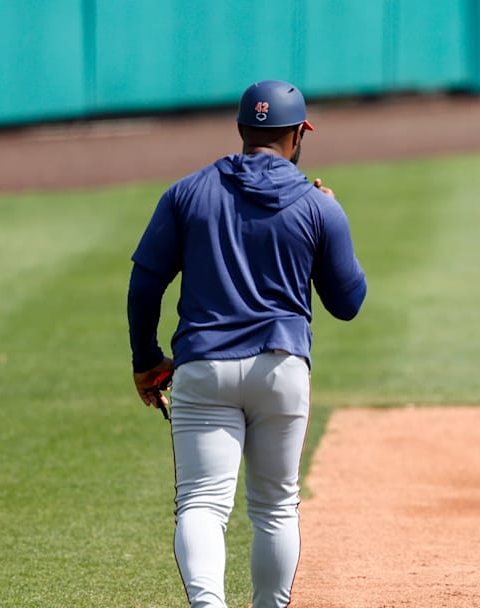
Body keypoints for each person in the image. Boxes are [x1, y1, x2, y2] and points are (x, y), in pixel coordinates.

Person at [127, 79, 367, 608]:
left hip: (204, 368)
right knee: (276, 507)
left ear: (240, 129)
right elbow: (348, 303)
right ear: (300, 134)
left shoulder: (188, 192)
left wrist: (146, 360)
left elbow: (145, 282)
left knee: (202, 504)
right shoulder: (316, 205)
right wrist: (335, 216)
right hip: (282, 369)